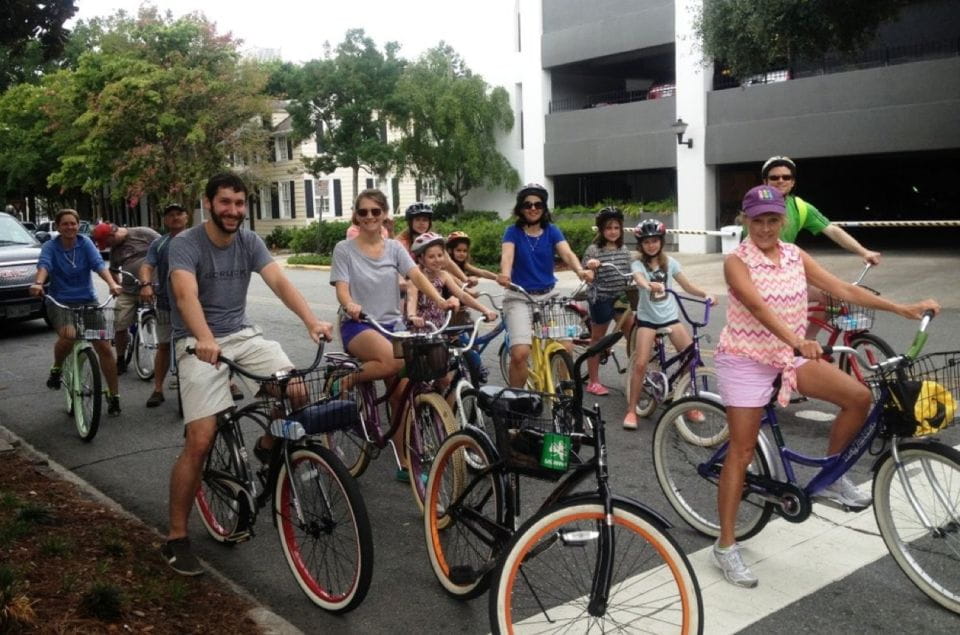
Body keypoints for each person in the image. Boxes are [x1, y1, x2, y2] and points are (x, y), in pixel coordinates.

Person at [711, 185, 939, 589]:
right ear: (745, 221)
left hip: (788, 355)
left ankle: (832, 475)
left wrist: (902, 308)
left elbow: (843, 288)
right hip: (747, 357)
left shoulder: (795, 255)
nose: (765, 228)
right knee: (743, 450)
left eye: (772, 220)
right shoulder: (737, 262)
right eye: (757, 220)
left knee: (859, 396)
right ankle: (725, 545)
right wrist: (797, 339)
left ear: (783, 221)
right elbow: (759, 309)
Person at [161, 172, 332, 576]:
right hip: (197, 342)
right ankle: (175, 537)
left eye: (239, 204)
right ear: (208, 203)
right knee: (200, 440)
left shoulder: (249, 241)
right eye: (225, 203)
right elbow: (185, 296)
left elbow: (279, 282)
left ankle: (268, 445)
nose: (233, 211)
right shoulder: (185, 245)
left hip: (243, 335)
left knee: (296, 392)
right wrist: (204, 338)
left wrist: (311, 320)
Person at [331, 189, 459, 482]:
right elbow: (341, 286)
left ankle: (404, 460)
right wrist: (348, 303)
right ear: (356, 216)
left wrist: (441, 301)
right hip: (360, 324)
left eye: (375, 212)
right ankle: (347, 379)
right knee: (391, 361)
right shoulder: (344, 249)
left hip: (393, 324)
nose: (369, 218)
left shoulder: (395, 249)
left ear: (385, 214)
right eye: (363, 212)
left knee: (402, 392)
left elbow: (417, 276)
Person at [496, 183, 594, 388]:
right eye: (527, 204)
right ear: (520, 208)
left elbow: (567, 253)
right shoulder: (512, 232)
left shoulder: (552, 231)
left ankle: (564, 397)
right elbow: (507, 256)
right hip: (519, 297)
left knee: (565, 347)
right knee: (520, 353)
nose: (533, 208)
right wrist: (505, 274)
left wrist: (580, 271)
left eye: (538, 204)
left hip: (549, 296)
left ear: (544, 208)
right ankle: (517, 401)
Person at [29, 209, 122, 415]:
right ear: (58, 227)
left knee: (104, 347)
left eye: (73, 223)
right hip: (60, 301)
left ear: (78, 225)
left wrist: (112, 284)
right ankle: (57, 367)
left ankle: (114, 395)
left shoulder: (85, 243)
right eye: (65, 224)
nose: (70, 227)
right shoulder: (50, 247)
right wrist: (38, 283)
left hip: (87, 300)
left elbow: (99, 264)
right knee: (69, 335)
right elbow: (44, 265)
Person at [624, 219, 714, 430]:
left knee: (691, 358)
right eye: (647, 242)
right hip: (648, 321)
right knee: (640, 363)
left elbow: (687, 285)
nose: (651, 245)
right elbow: (639, 279)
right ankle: (631, 410)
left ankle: (685, 403)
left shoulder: (671, 263)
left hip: (670, 318)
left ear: (661, 242)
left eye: (655, 241)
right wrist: (648, 285)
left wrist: (706, 294)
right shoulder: (638, 264)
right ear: (641, 245)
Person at [760, 156, 881, 265]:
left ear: (792, 182)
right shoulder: (753, 204)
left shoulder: (800, 207)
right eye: (774, 177)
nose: (781, 180)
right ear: (765, 182)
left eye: (786, 177)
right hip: (749, 268)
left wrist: (864, 252)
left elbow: (832, 230)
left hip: (782, 267)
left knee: (822, 289)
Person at [137, 203, 189, 407]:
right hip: (166, 303)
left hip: (195, 303)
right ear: (165, 221)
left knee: (209, 341)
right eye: (170, 215)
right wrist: (146, 284)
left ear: (186, 217)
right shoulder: (159, 244)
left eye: (179, 213)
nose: (175, 218)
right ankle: (158, 388)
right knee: (164, 345)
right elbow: (147, 266)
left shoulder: (197, 240)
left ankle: (227, 383)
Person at [92, 221, 160, 374]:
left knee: (165, 319)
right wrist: (117, 285)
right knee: (120, 324)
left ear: (112, 234)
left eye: (107, 242)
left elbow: (165, 248)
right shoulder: (115, 251)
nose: (108, 246)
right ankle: (121, 358)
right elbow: (113, 270)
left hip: (153, 287)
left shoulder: (143, 232)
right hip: (129, 291)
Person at [581, 207, 633, 396]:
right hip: (601, 299)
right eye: (609, 228)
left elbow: (632, 271)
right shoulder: (594, 250)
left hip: (621, 299)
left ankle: (635, 375)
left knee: (632, 335)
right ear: (602, 230)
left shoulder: (625, 250)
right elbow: (585, 271)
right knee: (597, 340)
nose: (613, 231)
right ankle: (593, 382)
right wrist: (590, 266)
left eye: (616, 228)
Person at [406, 232, 497, 330]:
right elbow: (411, 300)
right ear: (421, 259)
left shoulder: (443, 275)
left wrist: (485, 310)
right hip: (420, 329)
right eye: (431, 257)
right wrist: (412, 316)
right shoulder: (415, 280)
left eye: (440, 255)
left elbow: (462, 295)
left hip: (440, 327)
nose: (437, 260)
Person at [396, 202, 470, 285]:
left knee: (445, 274)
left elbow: (448, 262)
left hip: (430, 278)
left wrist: (465, 279)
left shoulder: (432, 239)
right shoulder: (402, 241)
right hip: (411, 283)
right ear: (410, 222)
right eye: (417, 220)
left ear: (429, 222)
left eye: (425, 220)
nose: (422, 223)